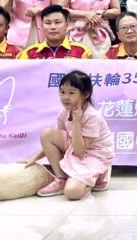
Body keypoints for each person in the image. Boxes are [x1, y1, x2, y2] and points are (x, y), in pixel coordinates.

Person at [24, 70, 113, 199]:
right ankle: (62, 178)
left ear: (86, 94)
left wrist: (77, 122)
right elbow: (55, 140)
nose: (65, 97)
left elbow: (80, 151)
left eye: (71, 93)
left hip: (94, 156)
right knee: (47, 134)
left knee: (72, 192)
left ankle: (99, 176)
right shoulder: (64, 112)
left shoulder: (92, 116)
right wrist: (34, 157)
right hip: (75, 147)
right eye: (62, 92)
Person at [17, 5, 91, 59]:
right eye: (48, 23)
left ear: (66, 25)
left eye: (57, 22)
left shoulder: (82, 52)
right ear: (42, 26)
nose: (53, 27)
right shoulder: (29, 54)